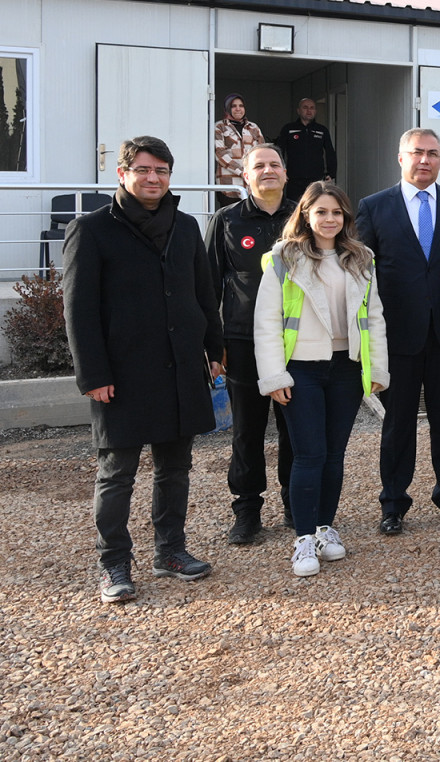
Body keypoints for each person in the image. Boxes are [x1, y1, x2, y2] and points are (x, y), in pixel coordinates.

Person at [63, 136, 224, 603]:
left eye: (162, 170)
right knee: (117, 474)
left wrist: (214, 349)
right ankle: (113, 563)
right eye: (144, 170)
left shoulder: (186, 226)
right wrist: (93, 375)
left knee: (175, 468)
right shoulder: (91, 229)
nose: (154, 178)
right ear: (123, 174)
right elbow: (79, 310)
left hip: (180, 368)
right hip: (122, 375)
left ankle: (170, 551)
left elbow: (203, 293)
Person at [254, 183, 389, 577]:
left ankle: (325, 528)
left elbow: (374, 317)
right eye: (321, 212)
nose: (330, 219)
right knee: (309, 455)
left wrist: (377, 369)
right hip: (302, 369)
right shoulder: (284, 257)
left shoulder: (361, 258)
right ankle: (303, 538)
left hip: (346, 368)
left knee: (333, 455)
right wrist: (274, 375)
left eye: (337, 212)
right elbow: (267, 321)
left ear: (346, 217)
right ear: (306, 215)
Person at [356, 128, 440, 536]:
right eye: (417, 152)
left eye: (433, 153)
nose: (425, 160)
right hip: (397, 337)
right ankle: (393, 504)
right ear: (401, 157)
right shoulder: (374, 207)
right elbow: (361, 277)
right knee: (398, 424)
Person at [205, 142, 295, 545]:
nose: (268, 170)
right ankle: (246, 510)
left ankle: (295, 504)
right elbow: (207, 286)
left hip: (296, 341)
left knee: (295, 428)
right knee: (247, 430)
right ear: (245, 176)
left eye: (275, 164)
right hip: (243, 341)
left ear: (286, 173)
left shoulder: (305, 215)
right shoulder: (226, 220)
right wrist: (213, 345)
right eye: (259, 165)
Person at [276, 97, 337, 207]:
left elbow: (330, 152)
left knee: (315, 206)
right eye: (305, 107)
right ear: (298, 110)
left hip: (316, 179)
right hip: (294, 179)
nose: (309, 111)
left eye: (312, 108)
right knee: (293, 208)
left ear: (315, 111)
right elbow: (279, 151)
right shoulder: (288, 129)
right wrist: (281, 170)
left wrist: (331, 173)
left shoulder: (322, 130)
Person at [213, 94, 267, 201]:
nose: (238, 109)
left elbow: (262, 153)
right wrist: (241, 171)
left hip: (251, 186)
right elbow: (219, 154)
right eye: (233, 106)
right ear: (227, 108)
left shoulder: (253, 127)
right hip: (228, 186)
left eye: (241, 106)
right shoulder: (219, 127)